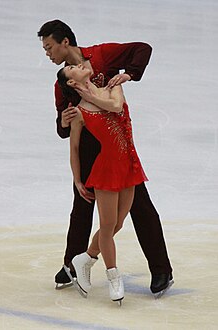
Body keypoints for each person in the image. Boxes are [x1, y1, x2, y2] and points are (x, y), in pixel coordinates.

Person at [37, 19, 173, 297]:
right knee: (83, 205)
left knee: (141, 207)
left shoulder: (101, 55)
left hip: (118, 144)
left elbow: (141, 49)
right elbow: (63, 127)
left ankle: (161, 270)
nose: (48, 53)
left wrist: (129, 75)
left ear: (65, 42)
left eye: (50, 47)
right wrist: (63, 121)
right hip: (89, 148)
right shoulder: (62, 81)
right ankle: (73, 265)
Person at [57, 63, 148, 303]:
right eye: (73, 69)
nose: (79, 65)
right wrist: (77, 179)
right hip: (106, 170)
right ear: (71, 83)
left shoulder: (112, 86)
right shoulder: (78, 112)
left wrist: (89, 94)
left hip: (129, 165)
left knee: (118, 224)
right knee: (107, 226)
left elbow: (116, 107)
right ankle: (113, 276)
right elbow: (74, 148)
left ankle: (85, 258)